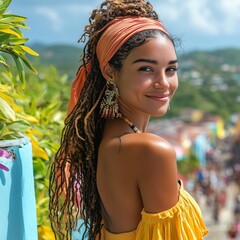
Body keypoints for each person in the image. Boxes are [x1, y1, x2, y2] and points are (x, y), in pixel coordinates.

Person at [48, 0, 208, 239]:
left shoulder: (106, 137)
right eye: (146, 69)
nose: (163, 82)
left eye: (171, 69)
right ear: (110, 72)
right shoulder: (150, 150)